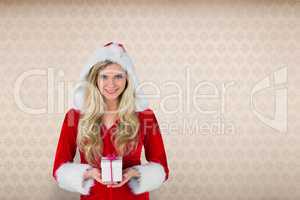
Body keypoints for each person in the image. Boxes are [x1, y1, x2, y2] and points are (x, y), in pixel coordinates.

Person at [52, 42, 169, 200]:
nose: (111, 84)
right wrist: (88, 173)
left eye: (118, 76)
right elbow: (59, 168)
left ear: (127, 79)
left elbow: (161, 167)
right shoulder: (75, 117)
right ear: (95, 79)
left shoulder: (145, 116)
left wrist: (134, 173)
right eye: (104, 76)